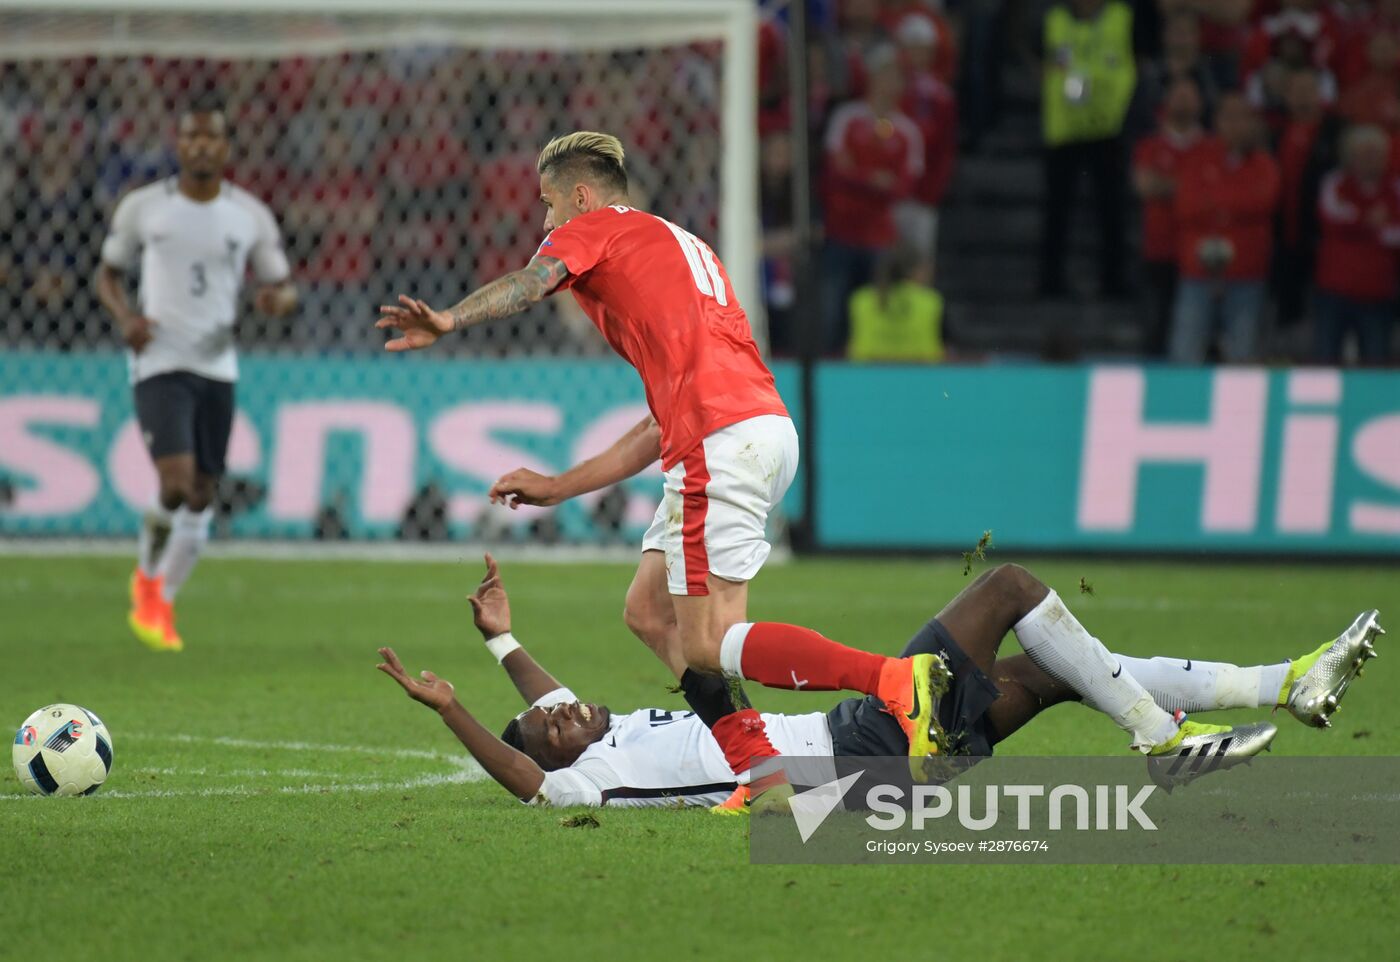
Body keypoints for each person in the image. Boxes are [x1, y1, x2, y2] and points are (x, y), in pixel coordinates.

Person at [375, 131, 946, 813]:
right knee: (648, 613)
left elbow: (531, 284)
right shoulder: (678, 248)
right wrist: (560, 486)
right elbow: (656, 425)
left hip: (720, 441)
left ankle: (897, 681)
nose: (547, 223)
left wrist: (449, 318)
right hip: (750, 428)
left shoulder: (596, 231)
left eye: (550, 205)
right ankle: (758, 767)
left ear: (581, 197)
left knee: (710, 643)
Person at [376, 555, 1385, 809]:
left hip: (871, 752)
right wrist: (457, 708)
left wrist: (500, 646)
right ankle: (1159, 742)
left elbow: (545, 706)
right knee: (1007, 588)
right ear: (548, 749)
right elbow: (525, 770)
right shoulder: (579, 780)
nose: (565, 707)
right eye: (550, 722)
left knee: (1047, 668)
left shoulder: (591, 729)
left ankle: (1281, 680)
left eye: (557, 703)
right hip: (854, 754)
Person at [95, 93, 297, 652]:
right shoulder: (143, 208)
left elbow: (281, 285)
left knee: (204, 493)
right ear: (178, 143)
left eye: (211, 137)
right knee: (176, 483)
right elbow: (107, 276)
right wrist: (126, 317)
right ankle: (145, 579)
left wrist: (278, 302)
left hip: (217, 363)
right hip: (159, 359)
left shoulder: (248, 215)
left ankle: (161, 600)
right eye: (191, 137)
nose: (201, 146)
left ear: (226, 147)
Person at [820, 47, 924, 353]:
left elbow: (904, 187)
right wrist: (875, 180)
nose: (891, 83)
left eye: (897, 77)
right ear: (872, 78)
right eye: (886, 75)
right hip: (841, 230)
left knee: (876, 312)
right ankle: (828, 372)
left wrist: (860, 176)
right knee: (832, 313)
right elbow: (835, 170)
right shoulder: (847, 118)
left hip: (880, 237)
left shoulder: (907, 132)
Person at [1169, 92, 1281, 363]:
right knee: (1186, 351)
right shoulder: (1197, 157)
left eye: (1243, 117)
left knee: (1243, 354)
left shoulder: (1264, 164)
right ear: (1217, 121)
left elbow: (1263, 201)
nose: (1236, 124)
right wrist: (1229, 205)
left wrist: (1216, 203)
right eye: (1229, 117)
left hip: (1246, 272)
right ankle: (1181, 405)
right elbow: (1186, 206)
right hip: (1198, 271)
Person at [1038, 0, 1136, 299]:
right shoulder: (1055, 19)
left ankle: (1113, 282)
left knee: (1111, 210)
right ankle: (1050, 282)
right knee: (1057, 210)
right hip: (1065, 128)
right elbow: (1040, 61)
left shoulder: (1121, 17)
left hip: (1107, 126)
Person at [1313, 124, 1400, 364]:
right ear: (1351, 156)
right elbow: (1332, 221)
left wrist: (1360, 223)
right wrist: (1372, 222)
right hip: (1334, 289)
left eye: (1376, 153)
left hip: (1377, 292)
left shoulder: (1394, 188)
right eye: (1364, 153)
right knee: (1325, 359)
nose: (1370, 159)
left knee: (1376, 362)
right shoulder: (1335, 183)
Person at [1131, 76, 1206, 356]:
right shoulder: (1150, 146)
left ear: (1200, 103)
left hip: (1199, 256)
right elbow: (1145, 186)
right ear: (1167, 101)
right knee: (1155, 332)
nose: (1184, 101)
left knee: (1194, 338)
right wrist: (1193, 187)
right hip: (1159, 252)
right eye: (1179, 94)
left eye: (1190, 95)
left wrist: (1169, 185)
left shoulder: (1210, 147)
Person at [846, 247, 946, 362]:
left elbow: (853, 348)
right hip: (920, 373)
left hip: (865, 374)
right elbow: (937, 351)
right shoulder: (931, 301)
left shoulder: (861, 299)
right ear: (915, 270)